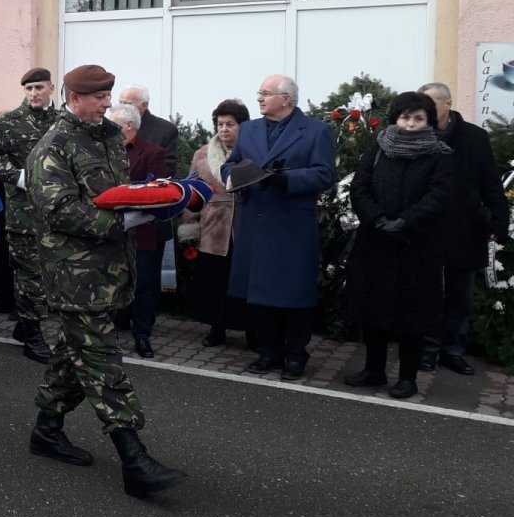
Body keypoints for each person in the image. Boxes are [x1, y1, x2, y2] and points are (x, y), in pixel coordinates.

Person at [25, 64, 185, 497]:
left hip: (110, 270)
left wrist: (149, 202)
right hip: (74, 276)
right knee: (102, 363)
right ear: (74, 98)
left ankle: (47, 428)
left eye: (109, 95)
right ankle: (135, 459)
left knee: (73, 356)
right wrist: (124, 221)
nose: (107, 104)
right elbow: (57, 210)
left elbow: (118, 193)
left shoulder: (110, 138)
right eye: (99, 97)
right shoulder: (53, 146)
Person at [341, 91, 454, 400]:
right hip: (376, 241)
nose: (411, 124)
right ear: (396, 119)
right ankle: (374, 369)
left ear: (429, 121)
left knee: (411, 316)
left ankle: (407, 378)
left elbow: (439, 196)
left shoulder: (439, 154)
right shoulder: (379, 148)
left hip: (415, 246)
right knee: (372, 308)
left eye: (419, 118)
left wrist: (405, 221)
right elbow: (359, 187)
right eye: (406, 117)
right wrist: (377, 219)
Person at [222, 75, 335, 381]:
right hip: (255, 221)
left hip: (291, 224)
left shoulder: (316, 130)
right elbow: (230, 165)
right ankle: (268, 351)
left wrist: (285, 179)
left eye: (266, 94)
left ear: (287, 99)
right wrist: (236, 175)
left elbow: (325, 174)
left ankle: (296, 355)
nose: (259, 98)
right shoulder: (249, 129)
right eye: (259, 93)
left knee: (293, 294)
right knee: (259, 293)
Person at [418, 82, 511, 375]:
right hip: (426, 227)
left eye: (430, 103)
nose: (424, 110)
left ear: (448, 104)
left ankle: (453, 349)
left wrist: (498, 220)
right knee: (427, 292)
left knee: (461, 295)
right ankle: (426, 349)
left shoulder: (474, 137)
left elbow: (491, 184)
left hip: (465, 227)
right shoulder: (416, 135)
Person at [0, 67, 58, 363]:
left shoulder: (63, 122)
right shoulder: (9, 122)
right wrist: (16, 175)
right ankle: (33, 336)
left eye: (38, 87)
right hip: (24, 216)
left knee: (50, 278)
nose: (33, 93)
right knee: (30, 277)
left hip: (58, 215)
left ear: (51, 87)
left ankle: (25, 326)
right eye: (28, 89)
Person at [183, 99, 251, 348]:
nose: (224, 129)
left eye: (230, 124)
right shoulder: (202, 154)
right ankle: (216, 328)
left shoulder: (253, 153)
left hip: (244, 228)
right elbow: (192, 191)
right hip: (213, 228)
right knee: (214, 281)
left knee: (243, 281)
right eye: (220, 124)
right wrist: (189, 228)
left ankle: (251, 330)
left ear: (242, 126)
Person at [107, 103, 168, 359]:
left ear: (129, 126)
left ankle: (142, 336)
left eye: (113, 124)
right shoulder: (104, 150)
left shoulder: (153, 152)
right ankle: (110, 331)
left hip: (142, 229)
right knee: (111, 283)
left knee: (143, 286)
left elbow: (156, 190)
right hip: (110, 229)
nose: (107, 128)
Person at [119, 84, 178, 176]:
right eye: (120, 103)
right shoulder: (113, 125)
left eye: (127, 104)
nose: (121, 108)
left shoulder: (165, 130)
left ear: (144, 106)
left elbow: (167, 172)